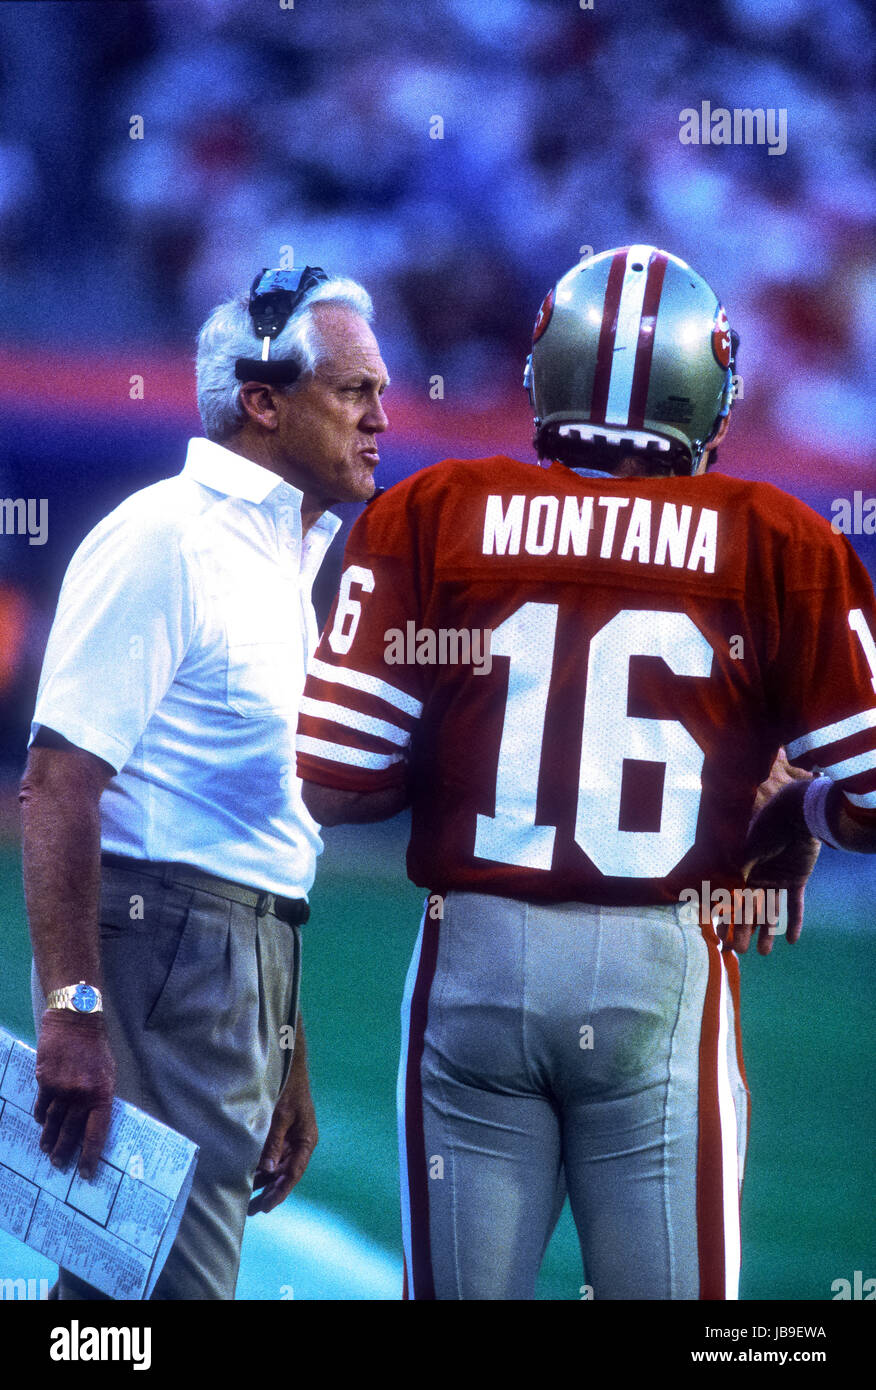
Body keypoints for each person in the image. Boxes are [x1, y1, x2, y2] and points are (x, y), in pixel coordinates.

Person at [295, 245, 876, 1300]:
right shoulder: (783, 539)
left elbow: (335, 781)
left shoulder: (434, 510)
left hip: (471, 958)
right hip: (660, 970)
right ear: (707, 390)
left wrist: (484, 762)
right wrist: (802, 809)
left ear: (546, 370)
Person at [19, 264, 390, 1299]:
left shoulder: (280, 553)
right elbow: (56, 783)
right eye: (353, 391)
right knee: (150, 1294)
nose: (381, 418)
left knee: (119, 1295)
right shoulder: (167, 536)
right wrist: (74, 1010)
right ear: (262, 401)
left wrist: (287, 1041)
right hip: (166, 944)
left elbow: (257, 827)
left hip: (238, 954)